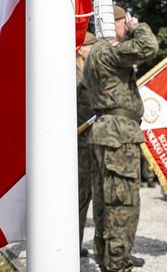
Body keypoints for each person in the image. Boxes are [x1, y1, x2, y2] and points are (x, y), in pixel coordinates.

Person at [84, 5, 158, 272]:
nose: (126, 25)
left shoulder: (96, 54)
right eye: (123, 21)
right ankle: (117, 265)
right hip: (118, 134)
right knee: (122, 204)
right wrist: (136, 26)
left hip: (107, 131)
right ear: (113, 22)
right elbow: (148, 46)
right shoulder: (107, 51)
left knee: (106, 202)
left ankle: (108, 260)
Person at [76, 31, 96, 258]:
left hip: (85, 143)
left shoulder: (84, 74)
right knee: (79, 196)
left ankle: (76, 240)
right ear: (81, 49)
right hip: (77, 145)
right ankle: (73, 241)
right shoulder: (75, 75)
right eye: (91, 46)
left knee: (83, 196)